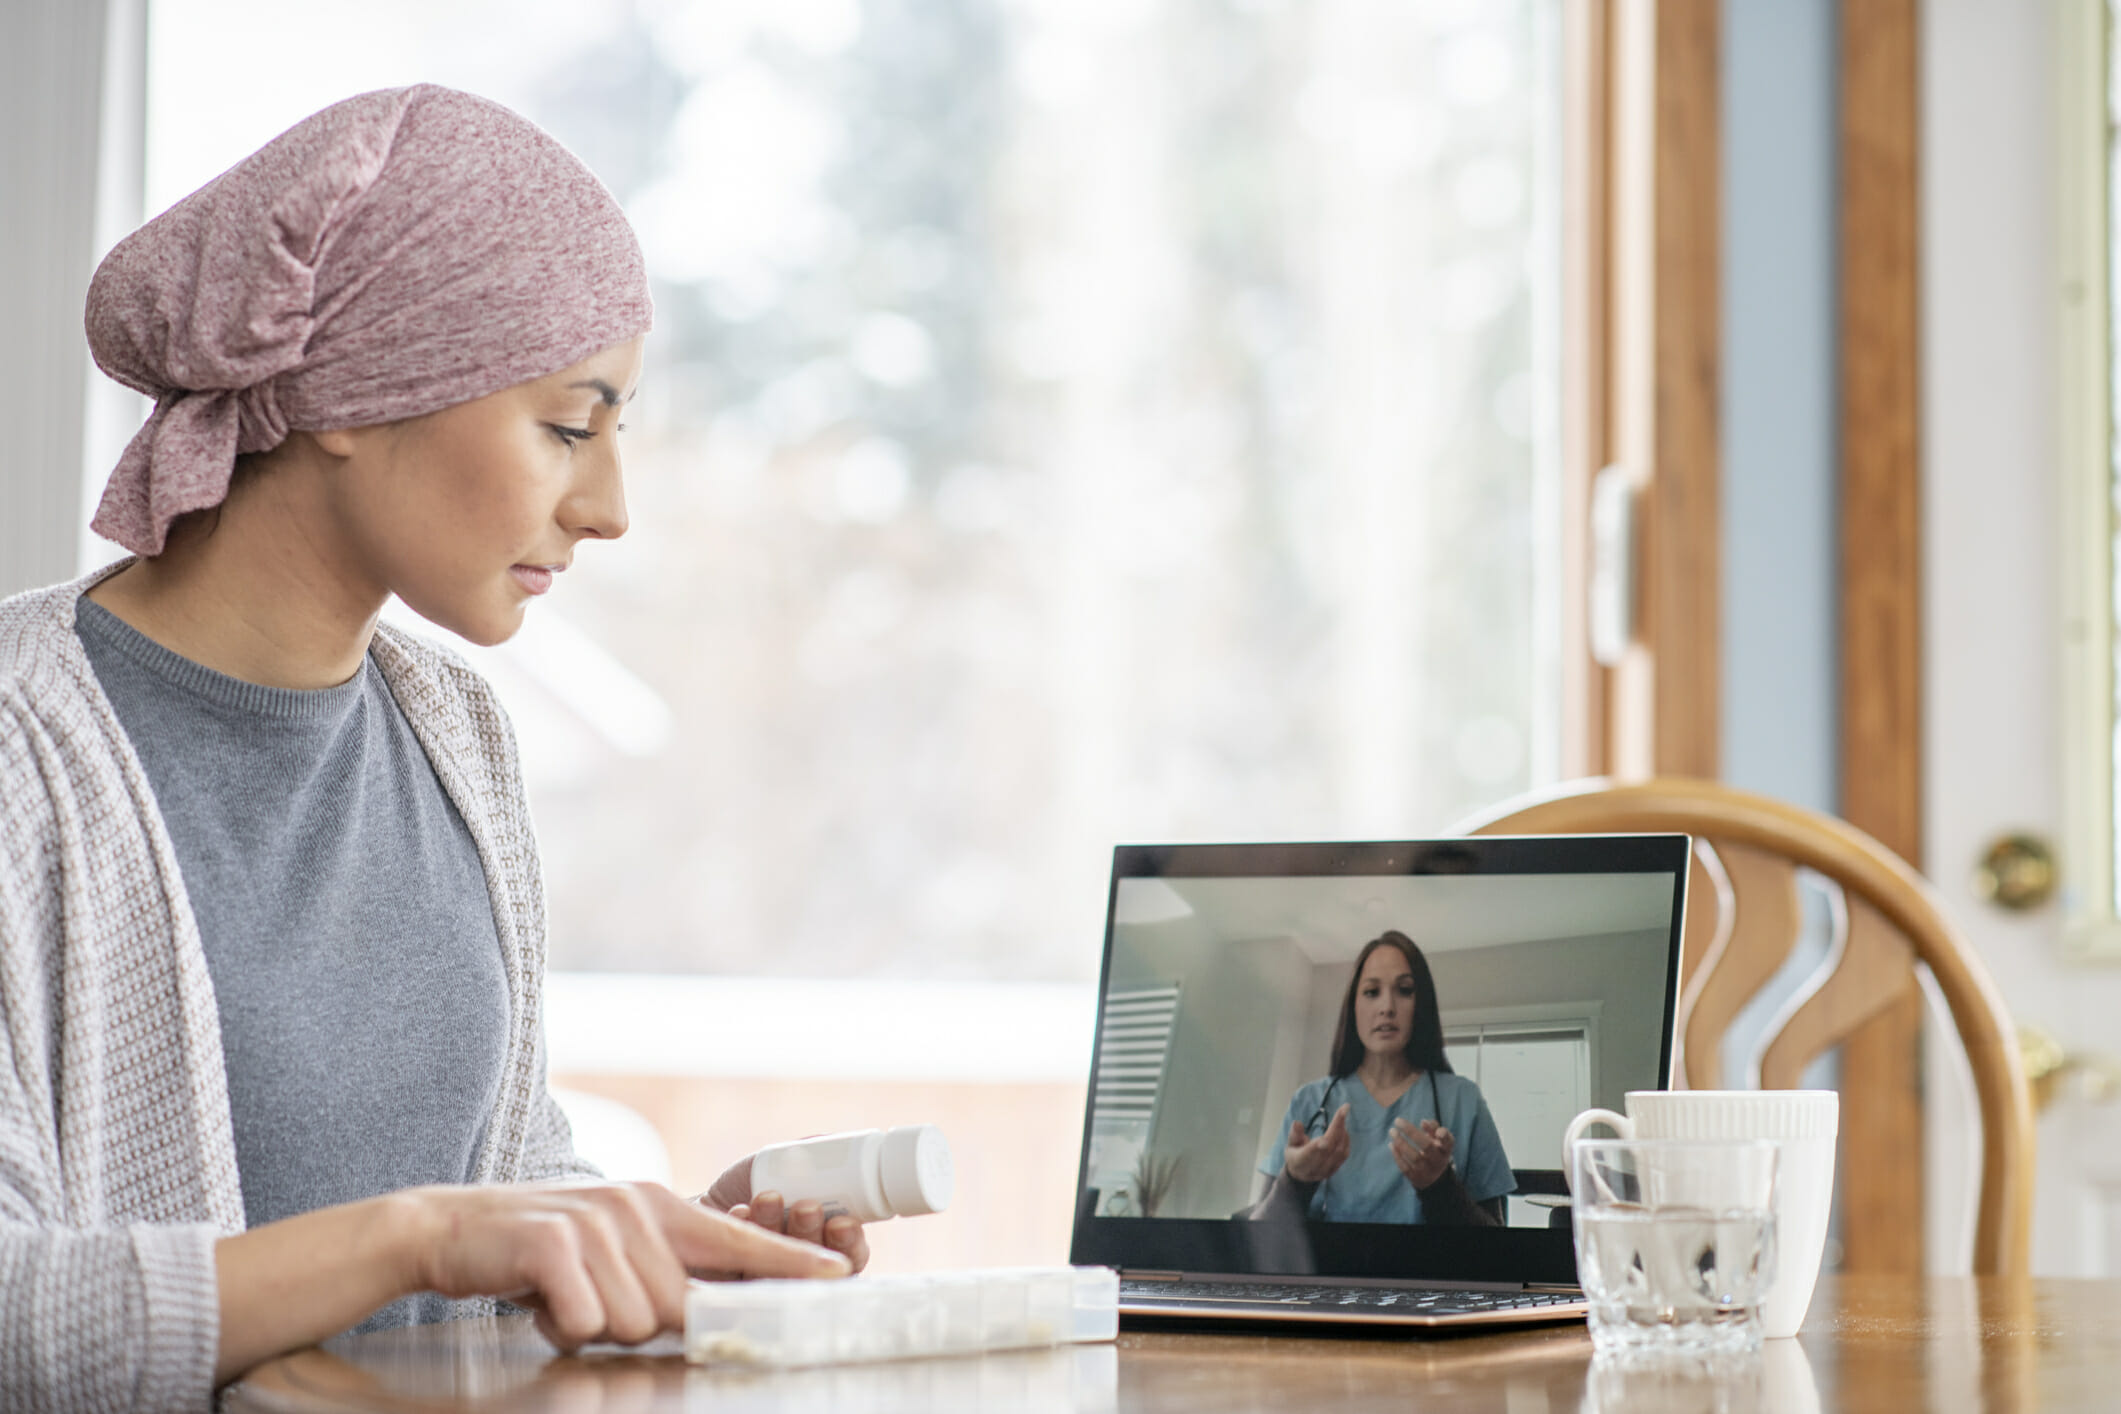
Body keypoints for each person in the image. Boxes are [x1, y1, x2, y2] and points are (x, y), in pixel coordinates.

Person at [0, 86, 862, 1409]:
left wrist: (659, 1242)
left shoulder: (456, 733)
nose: (611, 504)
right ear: (349, 392)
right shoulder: (21, 752)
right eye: (571, 425)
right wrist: (422, 1230)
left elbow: (492, 1192)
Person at [1251, 931, 1513, 1225]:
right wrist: (1296, 1182)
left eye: (1404, 990)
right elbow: (1256, 1239)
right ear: (1354, 1006)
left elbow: (1497, 1245)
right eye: (1372, 992)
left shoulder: (1464, 1101)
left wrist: (1440, 1188)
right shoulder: (1309, 1101)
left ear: (1421, 1004)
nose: (1387, 1007)